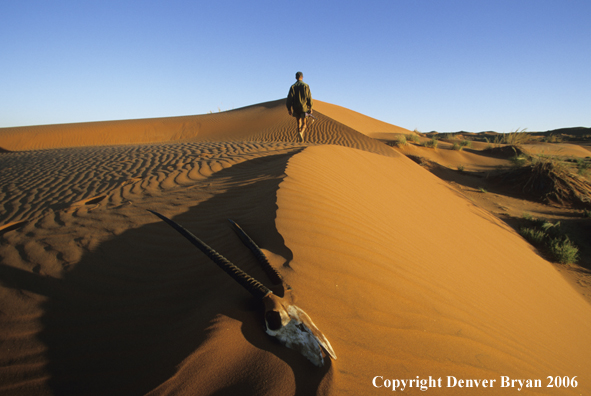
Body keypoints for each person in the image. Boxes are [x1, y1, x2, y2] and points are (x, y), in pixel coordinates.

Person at [286, 71, 313, 142]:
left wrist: (289, 108)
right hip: (304, 108)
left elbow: (289, 98)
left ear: (296, 77)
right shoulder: (306, 86)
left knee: (298, 123)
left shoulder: (293, 87)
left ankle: (299, 134)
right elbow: (309, 97)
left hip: (295, 107)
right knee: (304, 123)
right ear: (302, 77)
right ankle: (301, 132)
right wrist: (310, 107)